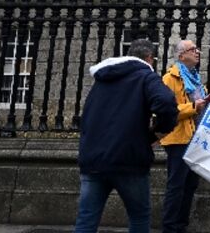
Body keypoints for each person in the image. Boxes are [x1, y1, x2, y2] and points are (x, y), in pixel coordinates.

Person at [74, 38, 177, 233]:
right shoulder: (146, 75)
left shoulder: (103, 78)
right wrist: (157, 133)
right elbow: (166, 103)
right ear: (149, 58)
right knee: (139, 217)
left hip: (93, 158)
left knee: (86, 219)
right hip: (128, 159)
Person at [160, 40, 210, 233]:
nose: (198, 52)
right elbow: (166, 110)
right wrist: (193, 107)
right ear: (181, 55)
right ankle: (170, 227)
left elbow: (200, 105)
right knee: (176, 185)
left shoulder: (195, 78)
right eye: (193, 50)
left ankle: (181, 225)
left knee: (190, 184)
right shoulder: (170, 78)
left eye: (197, 49)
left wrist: (208, 101)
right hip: (178, 139)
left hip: (195, 137)